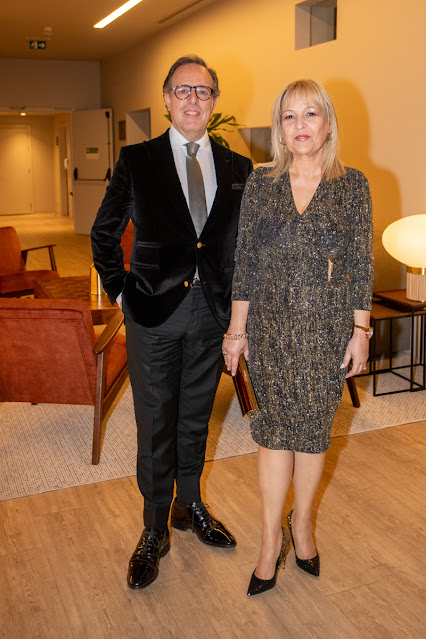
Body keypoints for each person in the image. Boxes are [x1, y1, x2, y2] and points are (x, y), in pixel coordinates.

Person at [91, 55, 252, 590]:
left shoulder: (238, 167)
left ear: (214, 101)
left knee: (195, 419)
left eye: (203, 91)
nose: (193, 100)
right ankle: (154, 527)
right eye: (183, 90)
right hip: (154, 314)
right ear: (166, 99)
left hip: (212, 315)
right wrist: (120, 292)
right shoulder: (138, 160)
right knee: (156, 422)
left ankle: (190, 506)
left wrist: (240, 316)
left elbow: (243, 246)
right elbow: (103, 234)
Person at [222, 79, 374, 597]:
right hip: (270, 330)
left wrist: (360, 331)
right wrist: (236, 332)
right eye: (289, 116)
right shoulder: (260, 183)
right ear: (280, 129)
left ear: (328, 123)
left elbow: (360, 264)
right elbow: (246, 262)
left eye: (311, 114)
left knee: (312, 434)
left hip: (327, 332)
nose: (301, 125)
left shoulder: (352, 185)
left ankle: (301, 523)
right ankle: (270, 540)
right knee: (272, 434)